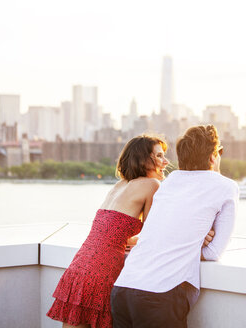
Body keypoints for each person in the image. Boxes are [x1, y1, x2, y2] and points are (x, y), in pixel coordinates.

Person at [111, 125, 239, 328]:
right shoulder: (226, 187)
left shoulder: (169, 182)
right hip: (160, 294)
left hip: (123, 289)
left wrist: (186, 237)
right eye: (219, 152)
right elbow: (214, 252)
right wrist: (192, 242)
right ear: (213, 156)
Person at [46, 135, 169, 328]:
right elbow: (152, 235)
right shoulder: (152, 185)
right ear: (144, 159)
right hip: (101, 273)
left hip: (79, 269)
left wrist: (125, 240)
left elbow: (110, 231)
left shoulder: (119, 185)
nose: (166, 162)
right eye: (160, 156)